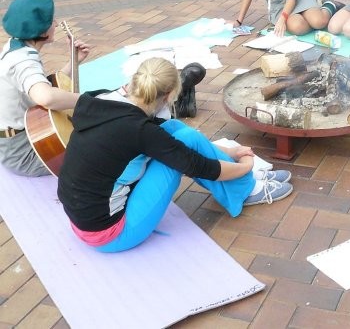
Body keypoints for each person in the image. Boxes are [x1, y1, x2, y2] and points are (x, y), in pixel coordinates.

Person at [57, 57, 293, 253]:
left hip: (84, 217)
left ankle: (243, 186)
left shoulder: (103, 99)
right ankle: (245, 188)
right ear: (169, 96)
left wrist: (231, 152)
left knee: (173, 129)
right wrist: (245, 166)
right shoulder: (139, 130)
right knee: (183, 144)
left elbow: (170, 142)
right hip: (109, 233)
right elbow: (199, 166)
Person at [0, 0, 91, 177]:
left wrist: (73, 62)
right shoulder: (23, 61)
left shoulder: (15, 45)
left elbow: (43, 85)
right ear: (42, 32)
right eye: (51, 22)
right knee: (101, 145)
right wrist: (86, 101)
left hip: (23, 135)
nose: (56, 24)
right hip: (22, 151)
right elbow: (46, 97)